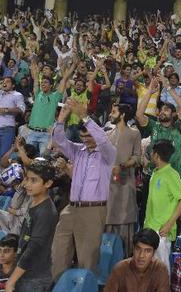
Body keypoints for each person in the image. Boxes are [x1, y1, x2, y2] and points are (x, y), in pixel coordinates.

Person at [51, 99, 117, 279]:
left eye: (90, 136)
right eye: (84, 137)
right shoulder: (77, 150)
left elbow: (102, 140)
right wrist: (61, 120)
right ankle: (59, 287)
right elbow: (58, 140)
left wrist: (84, 116)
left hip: (93, 210)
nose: (87, 140)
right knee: (58, 253)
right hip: (71, 208)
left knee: (87, 259)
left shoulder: (108, 154)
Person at [5, 159, 58, 292]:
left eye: (34, 180)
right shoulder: (34, 202)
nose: (27, 184)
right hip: (25, 273)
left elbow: (33, 249)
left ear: (48, 183)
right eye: (27, 179)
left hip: (35, 278)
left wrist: (12, 280)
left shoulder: (46, 212)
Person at [144, 139, 181, 271]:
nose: (151, 155)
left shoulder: (171, 174)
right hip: (150, 227)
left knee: (162, 269)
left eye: (152, 152)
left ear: (156, 155)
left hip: (162, 230)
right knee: (150, 269)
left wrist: (169, 224)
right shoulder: (156, 172)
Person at [105, 102, 141, 257]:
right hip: (108, 186)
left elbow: (137, 157)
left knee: (125, 219)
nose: (110, 115)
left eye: (114, 112)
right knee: (108, 220)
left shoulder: (134, 133)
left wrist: (123, 165)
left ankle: (125, 258)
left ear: (123, 115)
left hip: (126, 184)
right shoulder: (107, 135)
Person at [136, 76, 181, 174]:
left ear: (173, 114)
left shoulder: (179, 126)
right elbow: (139, 115)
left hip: (175, 175)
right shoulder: (154, 126)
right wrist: (149, 92)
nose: (162, 112)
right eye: (161, 110)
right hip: (155, 174)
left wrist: (168, 88)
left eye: (166, 110)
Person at [26, 57, 73, 154]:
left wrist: (74, 65)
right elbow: (35, 77)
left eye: (46, 82)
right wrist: (33, 61)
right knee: (26, 160)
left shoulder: (55, 96)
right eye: (42, 82)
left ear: (51, 85)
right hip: (32, 132)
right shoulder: (38, 94)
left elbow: (64, 79)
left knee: (43, 161)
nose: (43, 84)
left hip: (46, 134)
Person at [0, 69, 26, 174]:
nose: (4, 83)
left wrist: (5, 110)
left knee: (3, 157)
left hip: (7, 130)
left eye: (7, 81)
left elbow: (21, 110)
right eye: (3, 81)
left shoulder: (17, 95)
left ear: (13, 85)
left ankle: (2, 181)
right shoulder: (1, 93)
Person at [104, 228, 170, 292]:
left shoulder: (161, 269)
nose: (141, 256)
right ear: (133, 249)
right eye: (138, 249)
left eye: (147, 251)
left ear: (153, 253)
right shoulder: (120, 269)